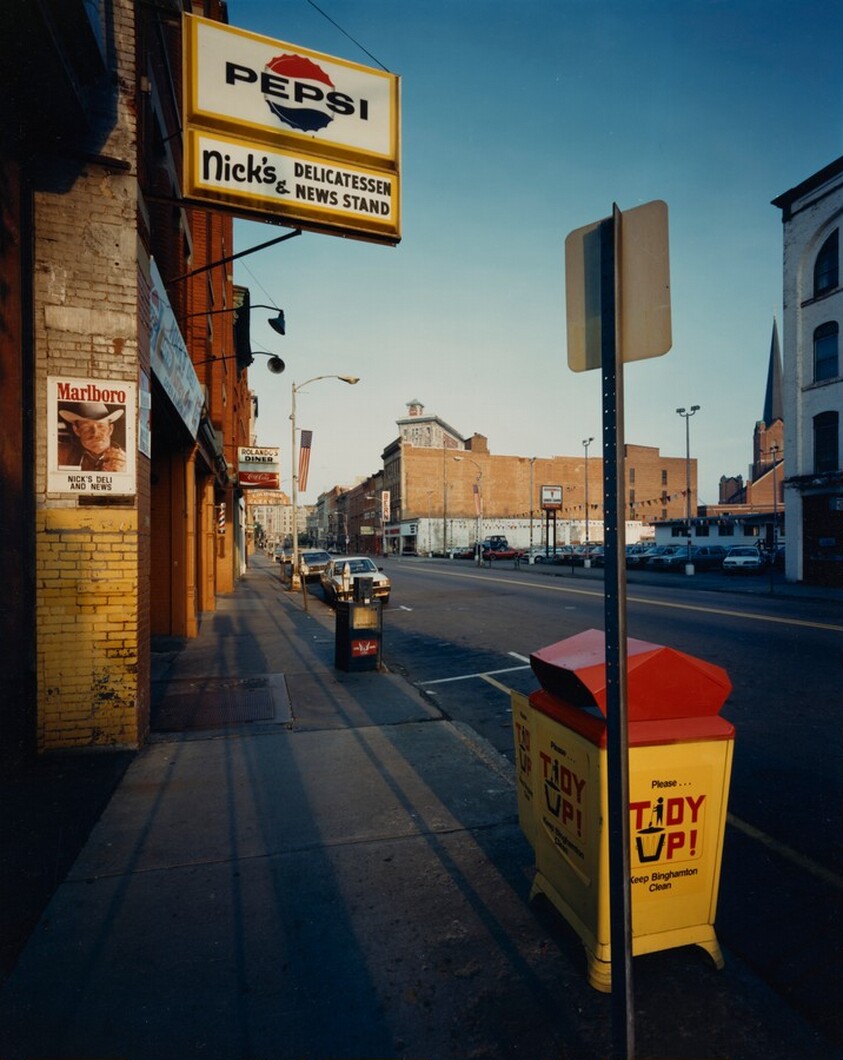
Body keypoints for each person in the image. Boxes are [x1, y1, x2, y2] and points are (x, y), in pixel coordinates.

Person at [58, 401, 127, 472]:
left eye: (101, 426)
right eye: (87, 427)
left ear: (110, 429)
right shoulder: (64, 454)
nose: (95, 433)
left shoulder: (128, 459)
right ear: (76, 430)